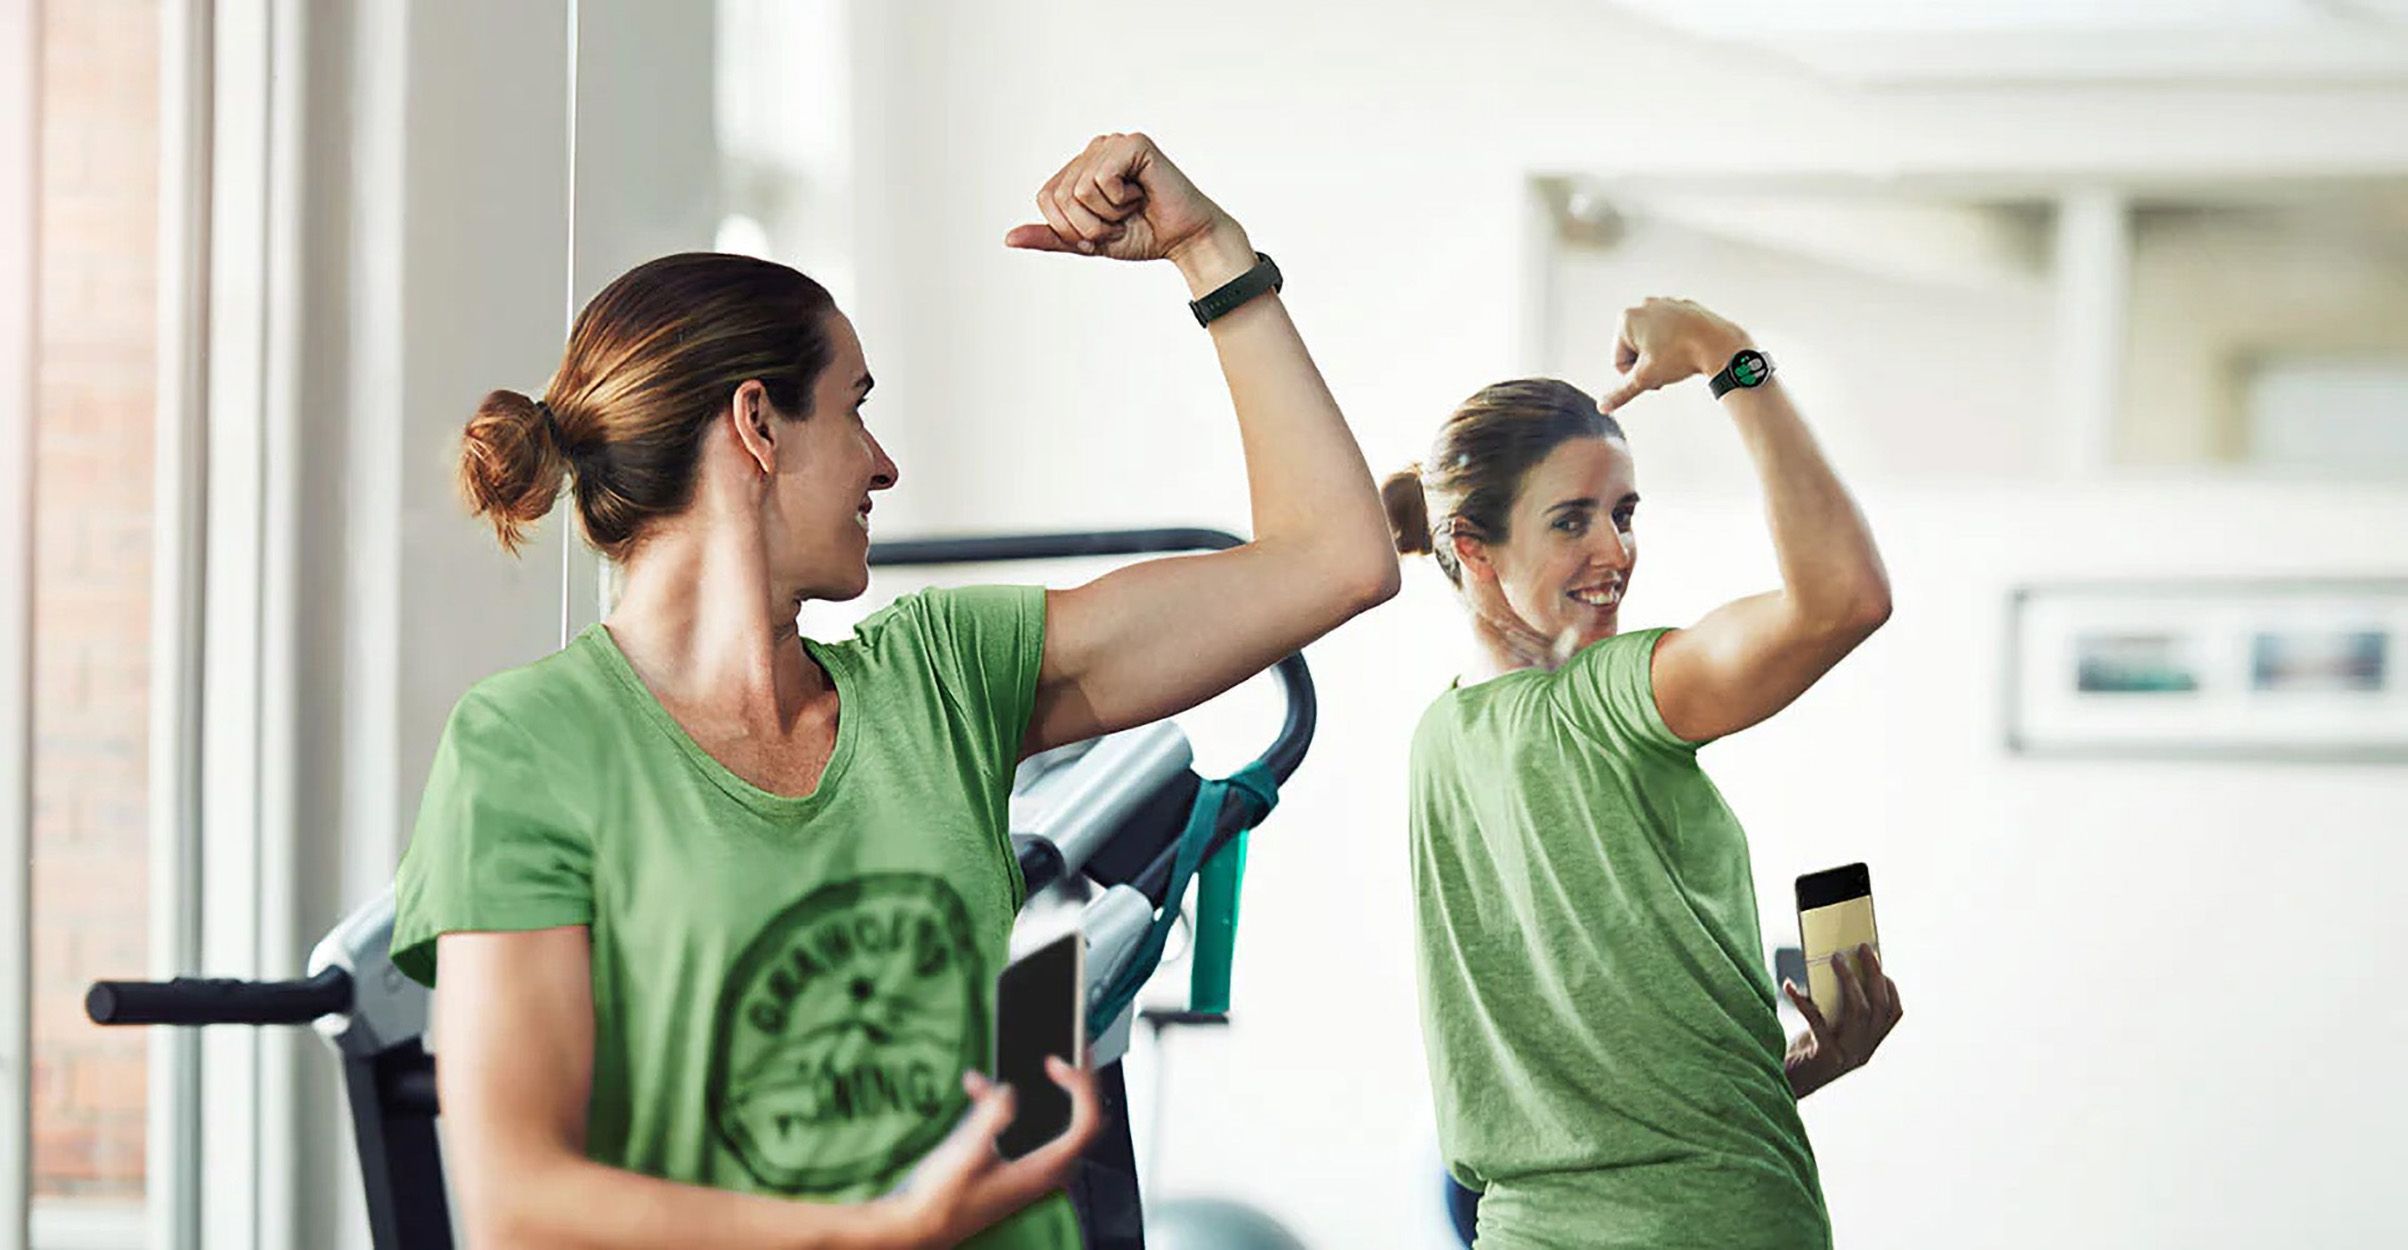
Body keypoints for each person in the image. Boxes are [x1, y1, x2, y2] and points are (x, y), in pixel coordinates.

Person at [390, 132, 1398, 1250]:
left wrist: (1208, 252)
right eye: (854, 406)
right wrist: (876, 1232)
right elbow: (519, 1201)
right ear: (757, 423)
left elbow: (1336, 559)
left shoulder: (945, 674)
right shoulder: (528, 745)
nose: (882, 463)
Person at [1385, 298, 1904, 1248]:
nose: (1615, 551)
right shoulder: (1616, 697)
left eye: (1623, 514)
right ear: (1473, 547)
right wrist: (1727, 353)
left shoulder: (1438, 743)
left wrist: (1785, 1073)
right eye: (1571, 521)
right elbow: (1845, 600)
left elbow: (1592, 1111)